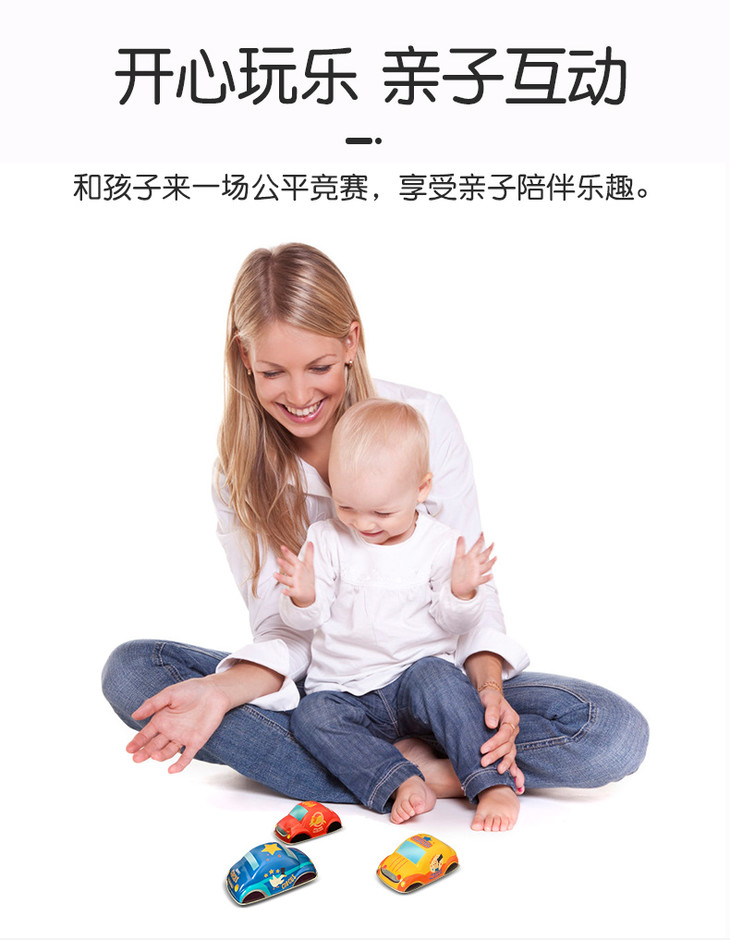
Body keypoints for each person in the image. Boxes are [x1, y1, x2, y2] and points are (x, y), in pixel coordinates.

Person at [102, 243, 648, 833]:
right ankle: (422, 768)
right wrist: (220, 690)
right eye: (273, 372)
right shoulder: (240, 475)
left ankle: (392, 770)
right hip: (332, 686)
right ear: (245, 358)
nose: (299, 396)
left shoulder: (422, 420)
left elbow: (468, 587)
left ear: (351, 342)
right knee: (134, 672)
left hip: (435, 677)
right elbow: (283, 633)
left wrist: (488, 687)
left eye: (319, 367)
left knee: (611, 734)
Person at [277, 398, 522, 830]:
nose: (363, 524)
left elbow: (457, 625)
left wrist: (462, 592)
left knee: (441, 679)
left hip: (415, 682)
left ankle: (491, 782)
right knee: (311, 717)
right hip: (345, 689)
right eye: (346, 507)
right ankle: (402, 778)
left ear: (421, 489)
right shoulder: (326, 538)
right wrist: (303, 597)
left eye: (382, 512)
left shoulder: (440, 543)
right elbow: (306, 621)